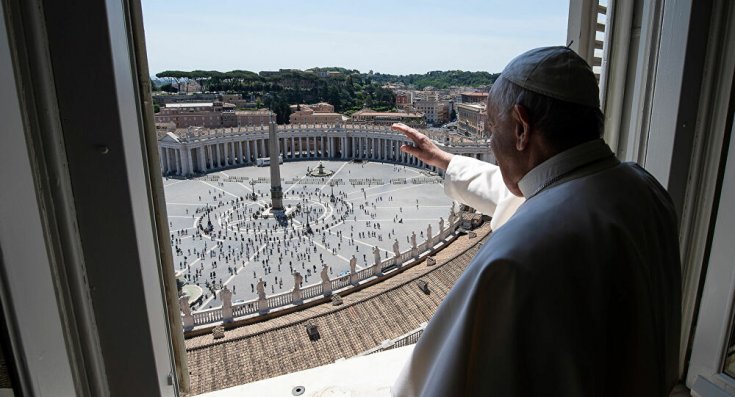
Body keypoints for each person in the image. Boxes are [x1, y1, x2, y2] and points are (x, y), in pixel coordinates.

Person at [391, 46, 681, 396]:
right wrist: (447, 160)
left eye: (492, 128)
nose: (488, 141)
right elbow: (536, 196)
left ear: (522, 128)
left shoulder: (516, 256)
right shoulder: (643, 187)